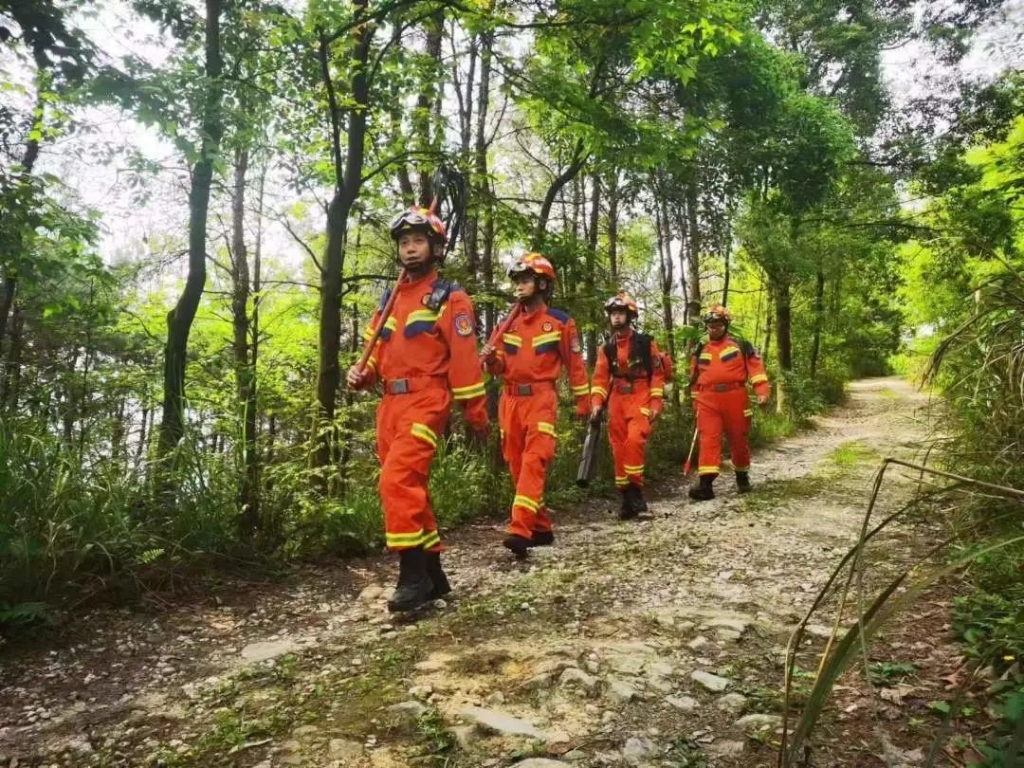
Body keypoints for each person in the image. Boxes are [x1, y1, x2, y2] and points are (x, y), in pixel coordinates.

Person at [346, 205, 489, 612]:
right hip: (389, 404)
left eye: (418, 241)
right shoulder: (389, 299)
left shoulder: (449, 298)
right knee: (411, 489)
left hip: (427, 400)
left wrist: (475, 413)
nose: (410, 249)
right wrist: (361, 373)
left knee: (396, 481)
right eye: (405, 242)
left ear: (435, 246)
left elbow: (464, 362)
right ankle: (433, 574)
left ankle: (411, 578)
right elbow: (374, 354)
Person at [481, 253, 590, 558]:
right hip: (510, 400)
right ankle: (541, 526)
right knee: (516, 463)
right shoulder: (506, 325)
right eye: (516, 281)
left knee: (534, 459)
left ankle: (520, 528)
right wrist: (491, 358)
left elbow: (576, 366)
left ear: (542, 284)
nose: (519, 286)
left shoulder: (560, 322)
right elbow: (498, 368)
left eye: (525, 280)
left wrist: (585, 402)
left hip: (541, 399)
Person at [589, 293, 666, 519]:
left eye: (620, 313)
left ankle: (636, 493)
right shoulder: (607, 348)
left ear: (630, 315)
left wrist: (655, 402)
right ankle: (625, 498)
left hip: (639, 394)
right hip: (616, 400)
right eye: (613, 313)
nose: (616, 318)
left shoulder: (645, 342)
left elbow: (658, 374)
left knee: (634, 440)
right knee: (619, 448)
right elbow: (600, 379)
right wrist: (596, 404)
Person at [687, 304, 770, 501]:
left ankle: (742, 476)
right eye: (710, 325)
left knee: (738, 439)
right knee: (708, 438)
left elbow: (756, 370)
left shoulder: (740, 345)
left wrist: (762, 392)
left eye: (718, 325)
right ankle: (705, 484)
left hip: (735, 397)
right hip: (707, 399)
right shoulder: (700, 349)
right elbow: (693, 378)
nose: (714, 329)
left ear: (725, 325)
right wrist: (695, 402)